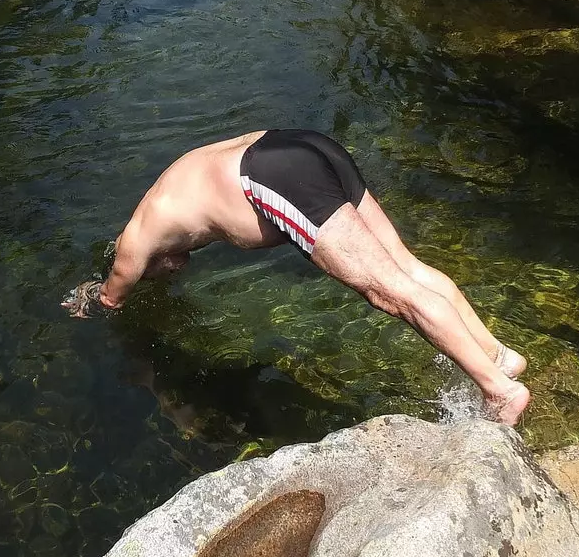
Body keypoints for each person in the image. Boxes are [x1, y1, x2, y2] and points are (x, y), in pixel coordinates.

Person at [62, 129, 530, 424]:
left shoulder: (134, 246)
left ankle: (499, 391)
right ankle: (498, 356)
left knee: (389, 292)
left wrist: (88, 299)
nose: (176, 271)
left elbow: (111, 298)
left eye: (163, 271)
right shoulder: (169, 195)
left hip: (273, 175)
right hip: (304, 145)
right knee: (405, 266)